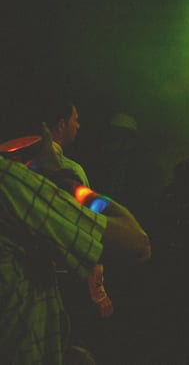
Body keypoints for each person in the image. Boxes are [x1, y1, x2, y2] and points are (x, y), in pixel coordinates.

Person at [0, 131, 151, 363]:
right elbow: (136, 243)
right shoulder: (10, 180)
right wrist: (64, 179)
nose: (79, 126)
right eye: (75, 118)